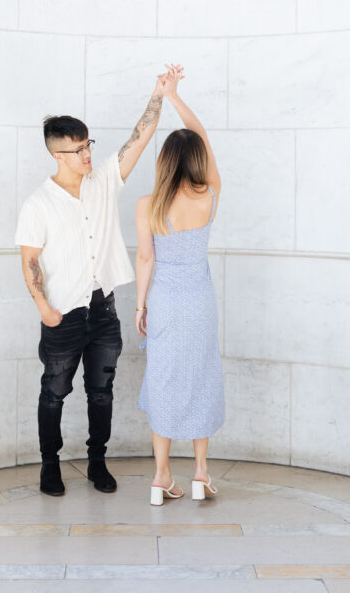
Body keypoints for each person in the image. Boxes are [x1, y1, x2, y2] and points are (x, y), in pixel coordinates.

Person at [16, 72, 167, 497]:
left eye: (88, 145)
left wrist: (157, 95)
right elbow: (29, 261)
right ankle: (50, 465)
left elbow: (138, 139)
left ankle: (97, 461)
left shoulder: (102, 181)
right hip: (62, 312)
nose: (87, 154)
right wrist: (44, 307)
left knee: (101, 393)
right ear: (57, 154)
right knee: (55, 392)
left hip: (103, 310)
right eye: (78, 149)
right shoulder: (38, 204)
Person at [135, 64, 225, 505]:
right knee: (202, 377)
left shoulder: (147, 205)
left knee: (164, 380)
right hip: (200, 302)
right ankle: (200, 475)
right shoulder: (209, 194)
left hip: (165, 303)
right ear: (198, 161)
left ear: (164, 162)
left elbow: (146, 258)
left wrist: (139, 307)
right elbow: (201, 134)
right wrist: (174, 98)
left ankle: (160, 476)